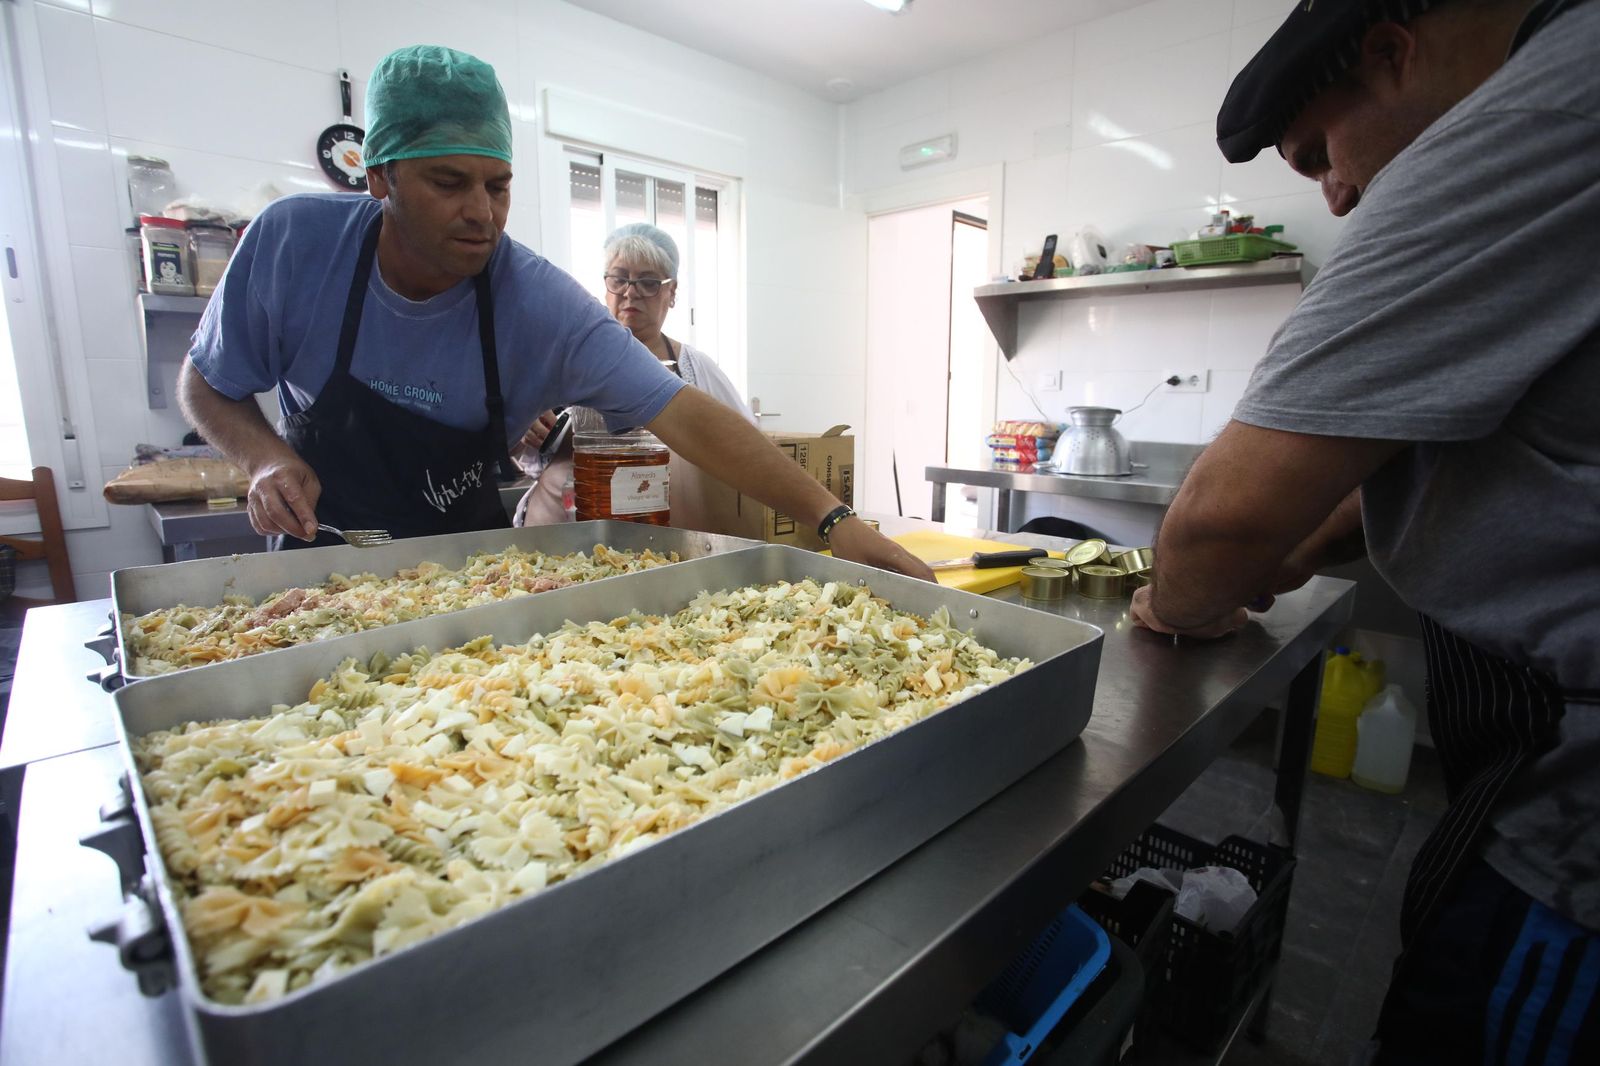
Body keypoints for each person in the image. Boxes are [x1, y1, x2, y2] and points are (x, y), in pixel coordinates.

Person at [1130, 0, 1599, 1061]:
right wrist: (1303, 542)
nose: (1336, 193)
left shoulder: (1522, 125)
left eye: (1318, 156)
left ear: (1389, 54)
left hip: (1576, 826)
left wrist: (1174, 595)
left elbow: (1215, 528)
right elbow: (1459, 448)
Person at [177, 45, 928, 579]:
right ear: (380, 177)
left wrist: (839, 524)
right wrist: (267, 456)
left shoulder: (531, 302)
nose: (482, 214)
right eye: (449, 182)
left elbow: (686, 413)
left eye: (498, 186)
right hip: (320, 566)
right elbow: (206, 383)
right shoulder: (295, 247)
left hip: (464, 580)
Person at [516, 223, 754, 525]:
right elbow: (512, 444)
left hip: (655, 532)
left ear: (672, 292)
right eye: (620, 279)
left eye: (648, 282)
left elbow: (745, 440)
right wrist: (528, 425)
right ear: (606, 287)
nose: (631, 292)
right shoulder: (563, 358)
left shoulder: (693, 367)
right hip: (560, 533)